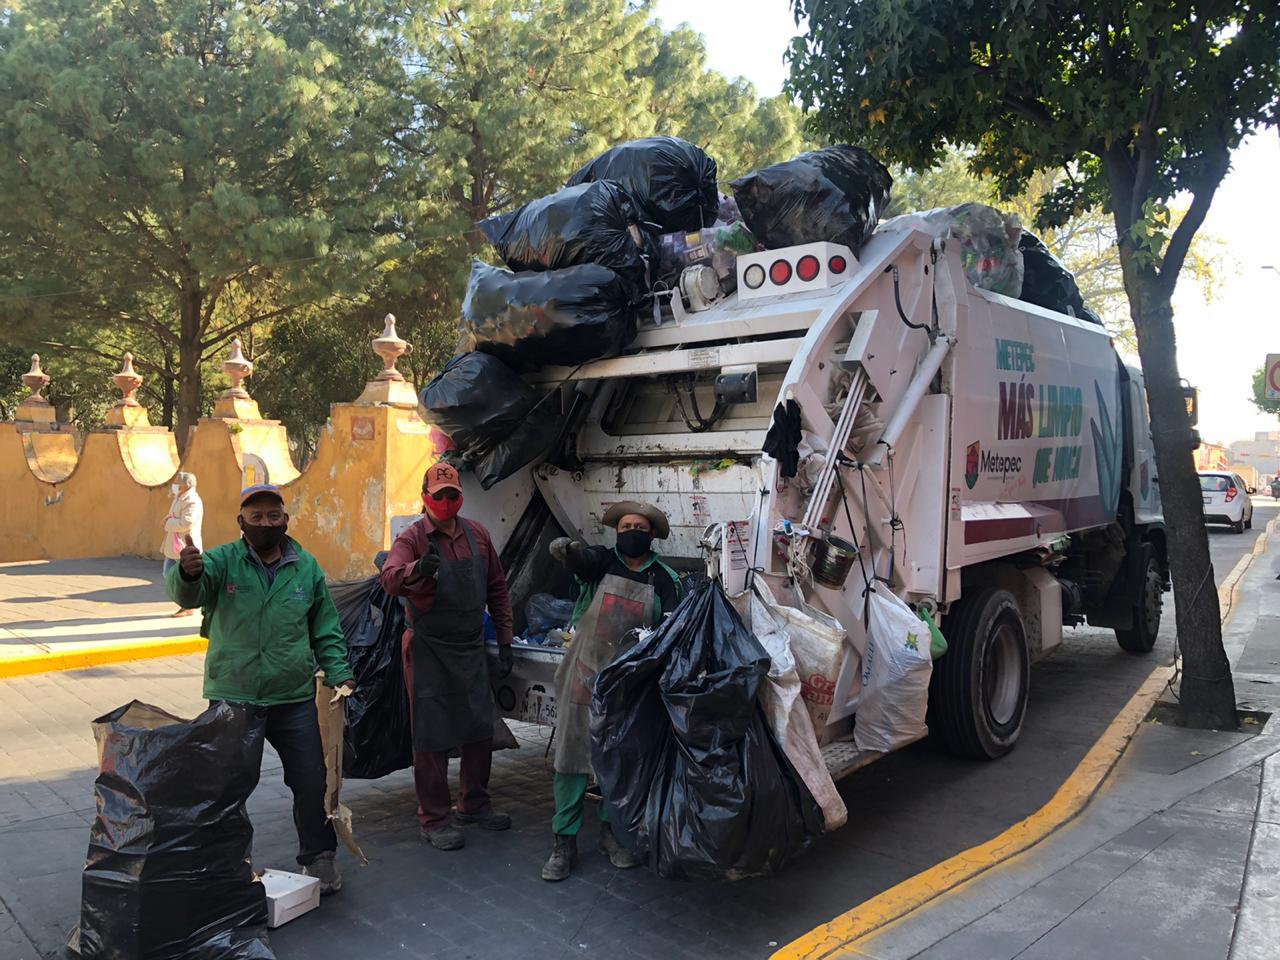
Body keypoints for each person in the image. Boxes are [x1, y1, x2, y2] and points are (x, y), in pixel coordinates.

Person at [166, 484, 355, 894]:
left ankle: (319, 859)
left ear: (286, 521)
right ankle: (224, 862)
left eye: (273, 516)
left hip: (293, 696)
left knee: (311, 780)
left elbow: (325, 628)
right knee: (228, 785)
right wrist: (188, 572)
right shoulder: (221, 561)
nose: (265, 523)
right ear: (241, 522)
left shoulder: (305, 567)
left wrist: (340, 671)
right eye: (256, 517)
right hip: (234, 694)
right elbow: (188, 593)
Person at [542, 500, 682, 882]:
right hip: (584, 675)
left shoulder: (666, 579)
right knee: (571, 757)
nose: (630, 533)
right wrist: (568, 552)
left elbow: (671, 633)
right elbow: (582, 561)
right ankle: (563, 841)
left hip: (630, 684)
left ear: (651, 534)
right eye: (623, 527)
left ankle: (612, 833)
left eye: (638, 527)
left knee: (620, 760)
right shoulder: (601, 563)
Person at [380, 461, 516, 852]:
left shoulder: (478, 535)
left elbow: (498, 589)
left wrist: (505, 639)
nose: (444, 501)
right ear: (425, 497)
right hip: (428, 649)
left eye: (452, 494)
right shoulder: (411, 539)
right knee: (431, 737)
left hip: (471, 647)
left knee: (478, 728)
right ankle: (435, 817)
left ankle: (473, 804)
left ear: (460, 497)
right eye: (437, 495)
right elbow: (389, 580)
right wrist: (415, 571)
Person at [160, 472, 203, 617]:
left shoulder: (192, 501)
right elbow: (174, 515)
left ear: (187, 485)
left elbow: (186, 522)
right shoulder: (180, 498)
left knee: (184, 578)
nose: (176, 485)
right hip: (174, 545)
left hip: (184, 545)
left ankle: (188, 605)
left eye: (178, 482)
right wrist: (167, 520)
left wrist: (168, 523)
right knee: (169, 574)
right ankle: (186, 604)